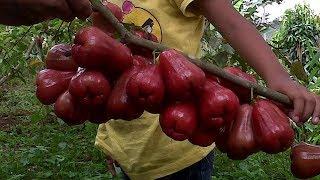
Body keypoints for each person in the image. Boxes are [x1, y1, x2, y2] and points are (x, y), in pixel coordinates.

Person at [1, 0, 319, 179]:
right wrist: (114, 148)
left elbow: (233, 22)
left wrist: (277, 77)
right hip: (126, 147)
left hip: (182, 157)